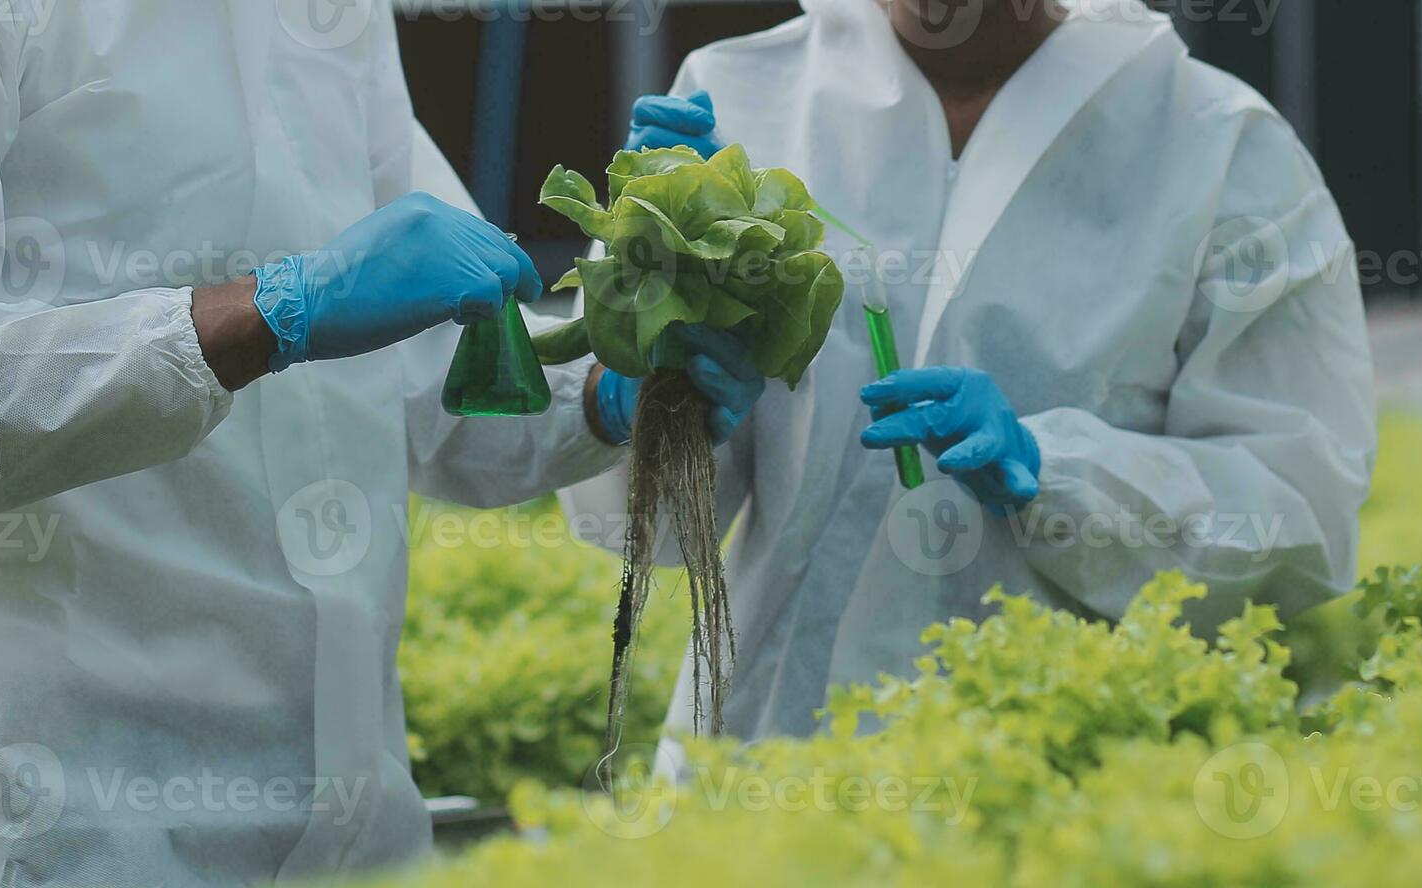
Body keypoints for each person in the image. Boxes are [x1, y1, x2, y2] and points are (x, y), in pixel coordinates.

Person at [0, 0, 760, 888]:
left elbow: (426, 386)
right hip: (69, 863)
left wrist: (600, 383)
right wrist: (260, 315)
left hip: (355, 869)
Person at [564, 0, 1377, 754]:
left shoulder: (1216, 143)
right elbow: (652, 531)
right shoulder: (739, 99)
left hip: (1048, 772)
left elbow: (1299, 509)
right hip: (761, 761)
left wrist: (1059, 476)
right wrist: (652, 366)